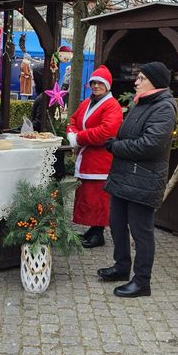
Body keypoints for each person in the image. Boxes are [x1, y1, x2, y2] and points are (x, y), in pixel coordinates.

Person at [98, 61, 176, 298]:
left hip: (144, 180)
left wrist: (116, 146)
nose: (136, 82)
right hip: (125, 176)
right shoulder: (142, 103)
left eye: (141, 78)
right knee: (117, 223)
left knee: (141, 232)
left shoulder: (164, 107)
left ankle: (142, 281)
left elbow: (150, 145)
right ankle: (122, 267)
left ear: (155, 81)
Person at [66, 66, 123, 248]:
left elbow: (106, 132)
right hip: (86, 158)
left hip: (100, 162)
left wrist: (79, 137)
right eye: (93, 83)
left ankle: (98, 233)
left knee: (98, 198)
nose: (96, 86)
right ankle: (93, 229)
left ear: (107, 85)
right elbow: (73, 121)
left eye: (100, 83)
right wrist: (71, 134)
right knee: (87, 196)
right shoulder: (87, 103)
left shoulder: (112, 106)